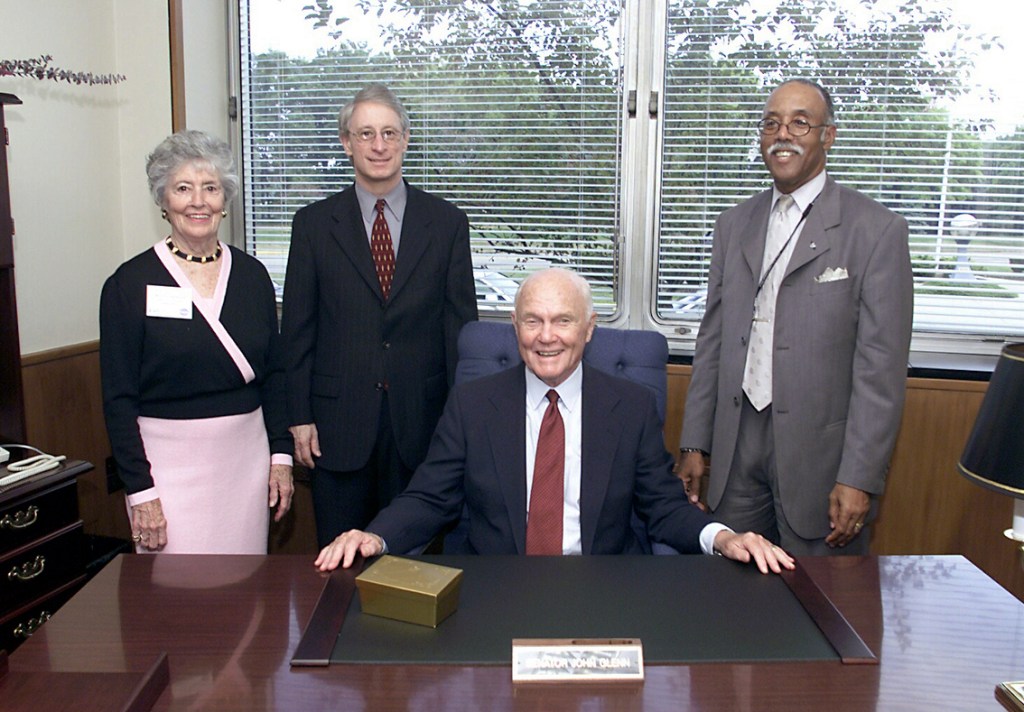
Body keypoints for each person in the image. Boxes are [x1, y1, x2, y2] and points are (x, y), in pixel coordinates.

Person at [314, 268, 794, 574]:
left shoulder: (628, 408)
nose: (547, 337)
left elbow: (663, 508)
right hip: (496, 588)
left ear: (588, 330)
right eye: (532, 321)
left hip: (601, 587)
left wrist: (725, 537)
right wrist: (373, 535)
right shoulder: (473, 404)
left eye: (563, 321)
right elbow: (429, 497)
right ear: (515, 327)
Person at [677, 79, 913, 556]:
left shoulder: (875, 230)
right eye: (771, 123)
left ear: (828, 136)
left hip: (821, 462)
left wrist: (859, 476)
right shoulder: (732, 225)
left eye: (800, 123)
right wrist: (694, 442)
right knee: (730, 601)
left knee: (821, 612)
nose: (782, 134)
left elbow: (880, 371)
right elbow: (714, 340)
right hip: (737, 447)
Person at [280, 84, 477, 548]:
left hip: (423, 429)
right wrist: (299, 415)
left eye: (389, 132)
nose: (379, 145)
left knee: (418, 569)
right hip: (336, 430)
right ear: (346, 143)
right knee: (339, 567)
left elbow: (459, 333)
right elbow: (298, 331)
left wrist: (460, 422)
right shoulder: (312, 225)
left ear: (406, 140)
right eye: (365, 133)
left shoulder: (448, 223)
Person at [100, 129, 293, 554]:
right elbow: (118, 398)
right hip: (165, 470)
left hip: (245, 463)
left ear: (225, 200)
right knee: (176, 600)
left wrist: (281, 458)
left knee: (244, 591)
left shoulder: (253, 276)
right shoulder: (129, 284)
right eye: (183, 188)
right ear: (163, 200)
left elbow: (276, 376)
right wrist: (140, 490)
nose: (198, 201)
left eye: (211, 188)